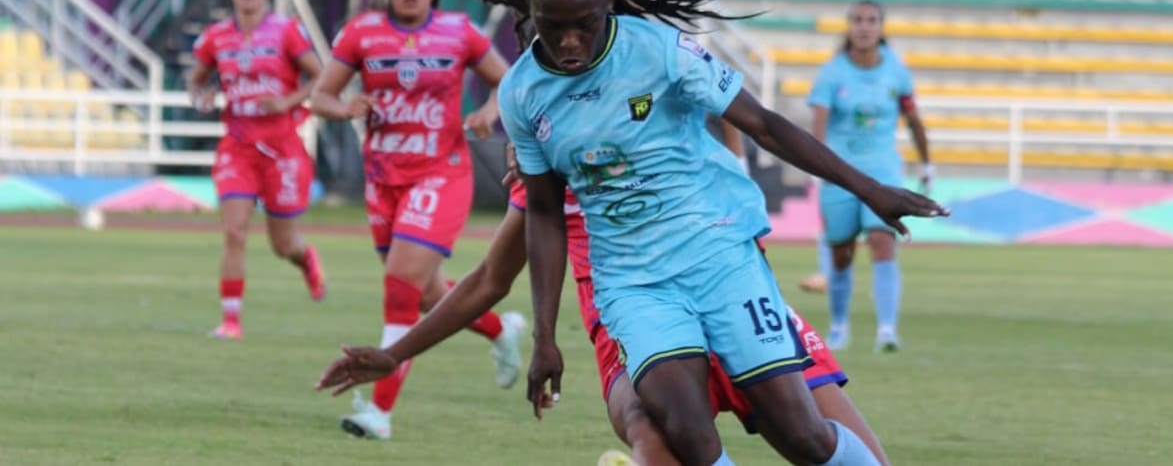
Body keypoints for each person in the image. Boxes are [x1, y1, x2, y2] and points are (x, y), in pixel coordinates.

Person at [450, 0, 945, 465]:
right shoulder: (522, 93)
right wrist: (545, 335)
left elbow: (764, 125)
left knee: (801, 433)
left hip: (719, 256)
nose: (570, 41)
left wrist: (869, 188)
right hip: (634, 283)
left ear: (609, 2)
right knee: (687, 432)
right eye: (551, 24)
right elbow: (544, 213)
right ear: (530, 8)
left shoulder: (662, 51)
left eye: (584, 24)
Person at [315, 150, 893, 466]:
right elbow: (489, 279)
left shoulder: (661, 101)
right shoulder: (543, 174)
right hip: (632, 330)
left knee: (827, 444)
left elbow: (743, 124)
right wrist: (395, 354)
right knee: (651, 429)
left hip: (732, 298)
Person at [309, 0, 525, 441]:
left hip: (441, 175)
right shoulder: (362, 33)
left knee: (399, 286)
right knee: (427, 296)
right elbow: (320, 96)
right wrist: (345, 108)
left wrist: (488, 113)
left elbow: (508, 82)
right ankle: (502, 331)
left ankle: (379, 412)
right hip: (383, 182)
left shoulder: (458, 32)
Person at [187, 0, 326, 341]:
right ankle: (231, 321)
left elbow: (320, 75)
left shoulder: (286, 31)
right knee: (234, 231)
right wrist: (201, 96)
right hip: (238, 147)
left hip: (282, 148)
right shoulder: (216, 37)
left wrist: (286, 101)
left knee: (283, 244)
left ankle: (305, 258)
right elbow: (196, 80)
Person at [808, 0, 933, 353]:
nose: (864, 27)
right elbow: (818, 124)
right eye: (858, 20)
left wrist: (926, 163)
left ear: (881, 27)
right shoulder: (832, 73)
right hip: (840, 172)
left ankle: (887, 330)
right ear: (849, 27)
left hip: (883, 170)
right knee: (841, 253)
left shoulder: (896, 70)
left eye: (871, 20)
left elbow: (913, 119)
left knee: (882, 240)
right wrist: (818, 166)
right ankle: (839, 327)